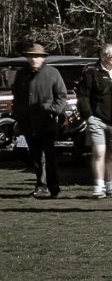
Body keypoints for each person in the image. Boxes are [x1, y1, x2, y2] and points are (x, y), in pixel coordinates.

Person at [12, 43, 67, 198]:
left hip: (47, 121)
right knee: (36, 157)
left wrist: (53, 110)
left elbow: (62, 95)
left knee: (50, 156)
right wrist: (18, 113)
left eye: (37, 56)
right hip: (28, 122)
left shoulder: (52, 73)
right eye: (31, 56)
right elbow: (17, 95)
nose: (34, 59)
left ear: (43, 58)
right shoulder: (21, 74)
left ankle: (53, 186)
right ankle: (41, 185)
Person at [77, 44, 112, 199]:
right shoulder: (91, 73)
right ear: (102, 56)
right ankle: (98, 186)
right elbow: (83, 97)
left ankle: (110, 186)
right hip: (97, 120)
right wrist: (88, 116)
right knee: (99, 152)